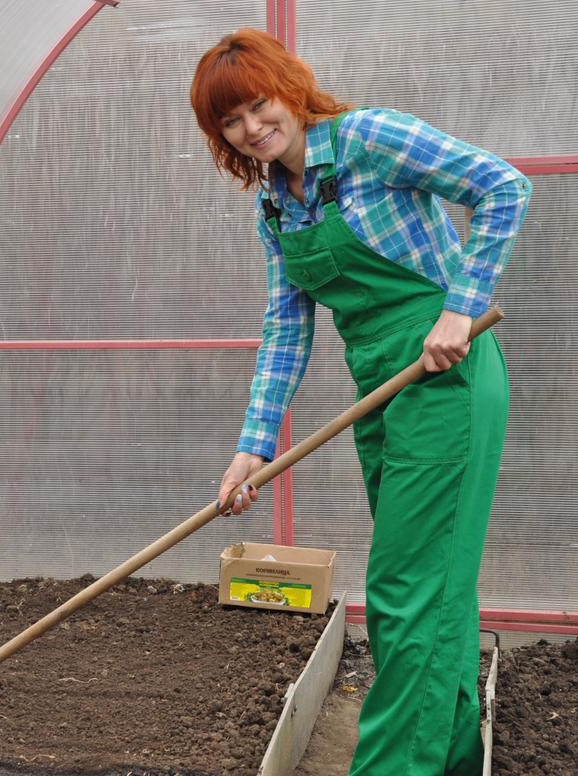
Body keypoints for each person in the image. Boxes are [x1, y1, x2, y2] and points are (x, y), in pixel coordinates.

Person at [189, 29, 530, 776]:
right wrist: (254, 446)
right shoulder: (277, 210)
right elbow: (286, 327)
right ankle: (446, 756)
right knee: (436, 581)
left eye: (258, 104)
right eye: (231, 121)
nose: (252, 127)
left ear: (288, 87)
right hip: (380, 382)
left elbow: (503, 186)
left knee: (405, 588)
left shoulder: (369, 138)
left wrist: (458, 311)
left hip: (447, 373)